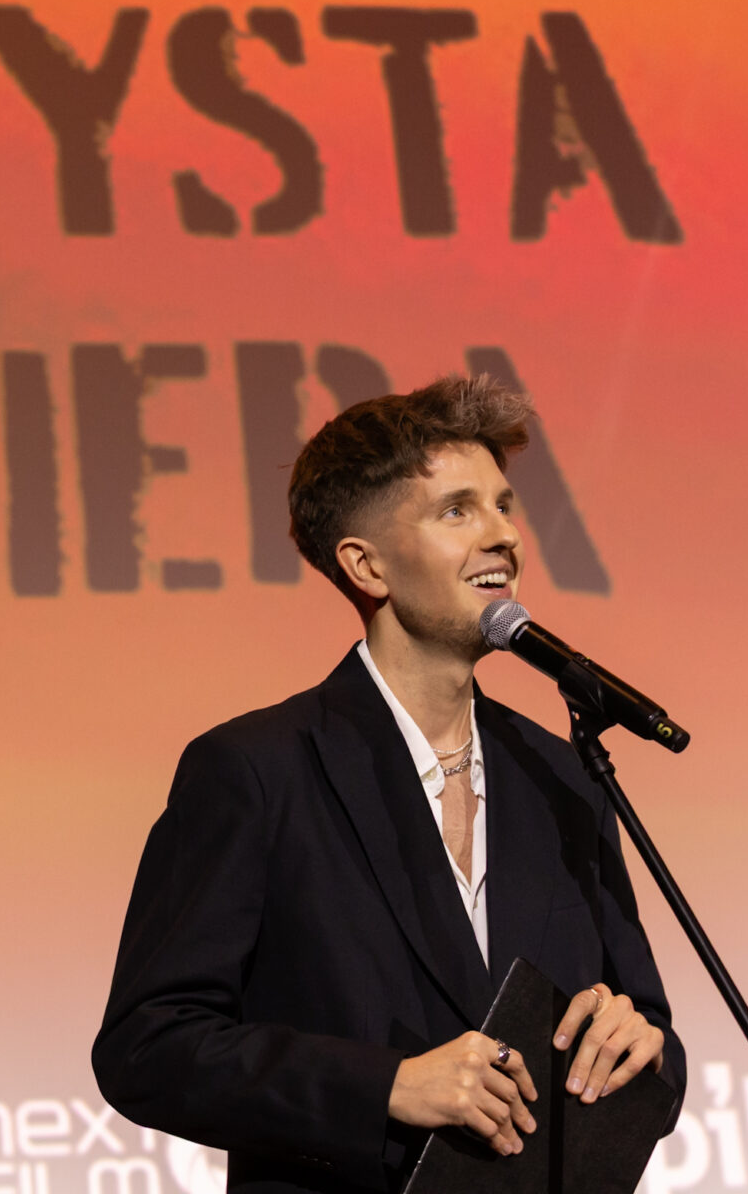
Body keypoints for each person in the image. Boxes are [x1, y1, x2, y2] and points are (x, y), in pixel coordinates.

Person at [91, 376, 685, 1194]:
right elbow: (147, 1047)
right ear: (365, 565)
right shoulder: (258, 770)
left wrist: (640, 1044)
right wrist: (387, 1088)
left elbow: (653, 1041)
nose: (503, 535)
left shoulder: (562, 777)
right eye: (457, 511)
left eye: (503, 506)